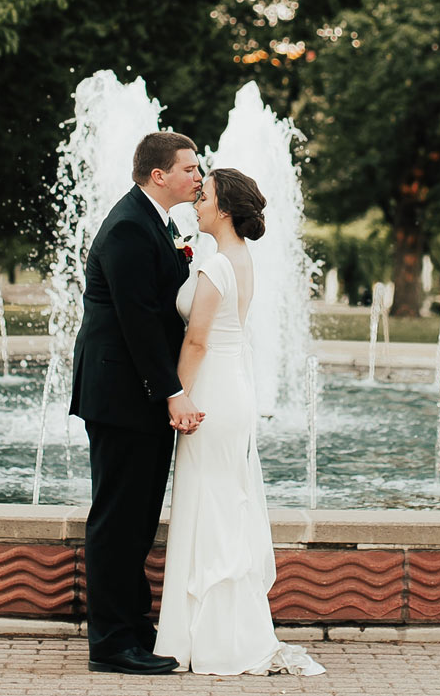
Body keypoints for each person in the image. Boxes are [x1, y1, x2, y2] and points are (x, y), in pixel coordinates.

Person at [154, 168, 326, 677]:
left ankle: (215, 637)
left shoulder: (218, 268)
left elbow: (198, 341)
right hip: (231, 389)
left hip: (210, 391)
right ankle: (208, 631)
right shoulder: (236, 260)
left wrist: (176, 396)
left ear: (224, 209)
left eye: (203, 196)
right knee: (220, 504)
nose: (196, 203)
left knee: (212, 507)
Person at [69, 132, 205, 675]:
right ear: (158, 176)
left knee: (138, 519)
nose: (199, 176)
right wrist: (172, 392)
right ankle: (110, 644)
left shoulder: (157, 222)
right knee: (118, 520)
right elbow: (139, 321)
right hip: (121, 396)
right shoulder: (129, 226)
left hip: (138, 396)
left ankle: (134, 628)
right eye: (190, 169)